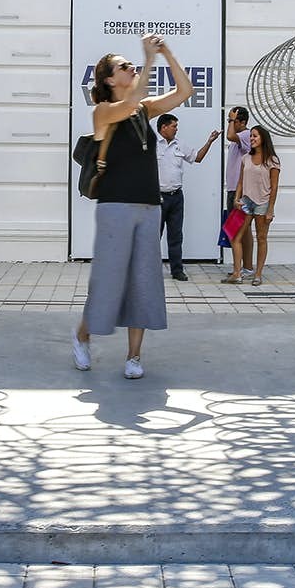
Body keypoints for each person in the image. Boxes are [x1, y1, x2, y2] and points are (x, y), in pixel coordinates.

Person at [72, 34, 194, 378]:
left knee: (143, 280)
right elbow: (131, 102)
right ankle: (83, 335)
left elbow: (184, 92)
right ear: (110, 79)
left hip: (148, 206)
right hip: (114, 206)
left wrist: (167, 53)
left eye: (131, 65)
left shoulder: (144, 110)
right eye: (124, 66)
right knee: (108, 280)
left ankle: (134, 356)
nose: (132, 68)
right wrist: (148, 59)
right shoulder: (103, 112)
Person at [155, 113, 219, 281]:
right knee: (153, 236)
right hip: (157, 198)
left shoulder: (179, 144)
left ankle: (177, 270)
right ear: (164, 127)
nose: (176, 129)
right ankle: (151, 270)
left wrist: (209, 141)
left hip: (176, 197)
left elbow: (197, 158)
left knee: (176, 235)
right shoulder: (152, 145)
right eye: (174, 126)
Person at [229, 124, 281, 286]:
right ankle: (237, 273)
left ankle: (257, 274)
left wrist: (270, 210)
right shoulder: (246, 158)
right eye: (251, 136)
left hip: (262, 203)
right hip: (245, 202)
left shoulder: (272, 160)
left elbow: (274, 187)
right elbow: (240, 181)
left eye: (255, 136)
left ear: (263, 138)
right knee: (234, 236)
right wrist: (236, 198)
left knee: (261, 238)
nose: (252, 139)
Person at [219, 106, 254, 284]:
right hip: (234, 188)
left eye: (233, 121)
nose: (230, 124)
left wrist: (231, 121)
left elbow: (230, 135)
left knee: (237, 231)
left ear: (242, 122)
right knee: (243, 230)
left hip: (239, 190)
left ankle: (239, 271)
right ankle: (245, 268)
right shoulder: (239, 138)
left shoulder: (245, 135)